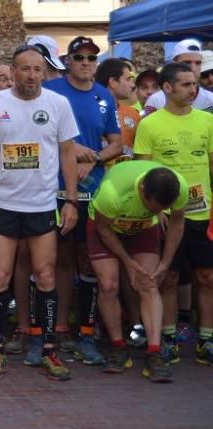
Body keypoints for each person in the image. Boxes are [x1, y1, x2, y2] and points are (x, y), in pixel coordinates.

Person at [0, 44, 80, 382]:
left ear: (44, 72)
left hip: (42, 205)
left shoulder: (58, 104)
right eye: (25, 68)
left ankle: (49, 349)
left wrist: (71, 201)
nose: (31, 75)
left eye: (38, 69)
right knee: (0, 276)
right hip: (3, 203)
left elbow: (67, 154)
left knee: (45, 276)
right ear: (14, 71)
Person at [44, 36, 122, 366]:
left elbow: (116, 143)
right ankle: (57, 327)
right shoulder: (53, 93)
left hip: (94, 188)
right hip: (56, 188)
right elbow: (41, 133)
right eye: (79, 57)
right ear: (68, 61)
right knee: (57, 259)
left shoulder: (105, 95)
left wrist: (95, 158)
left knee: (90, 260)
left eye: (92, 57)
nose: (86, 62)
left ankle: (87, 331)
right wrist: (70, 149)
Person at [134, 62, 213, 366]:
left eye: (194, 84)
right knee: (168, 278)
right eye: (185, 84)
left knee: (207, 277)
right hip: (165, 215)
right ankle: (167, 339)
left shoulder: (207, 121)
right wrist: (156, 211)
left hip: (202, 213)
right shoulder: (150, 125)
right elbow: (142, 172)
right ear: (167, 88)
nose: (192, 90)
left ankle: (206, 339)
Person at [89, 161, 186, 383]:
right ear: (142, 189)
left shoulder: (179, 185)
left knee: (148, 282)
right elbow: (103, 230)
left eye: (162, 210)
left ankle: (154, 352)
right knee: (108, 284)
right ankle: (118, 347)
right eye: (154, 208)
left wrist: (165, 262)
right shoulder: (112, 192)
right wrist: (128, 262)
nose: (158, 212)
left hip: (143, 227)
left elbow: (178, 223)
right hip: (106, 225)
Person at [144, 39, 213, 115]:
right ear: (174, 64)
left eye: (198, 63)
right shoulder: (155, 102)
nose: (193, 68)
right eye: (187, 62)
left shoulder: (210, 101)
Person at [96, 58, 138, 163]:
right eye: (128, 79)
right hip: (97, 177)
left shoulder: (133, 114)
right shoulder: (89, 113)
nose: (133, 85)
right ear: (113, 82)